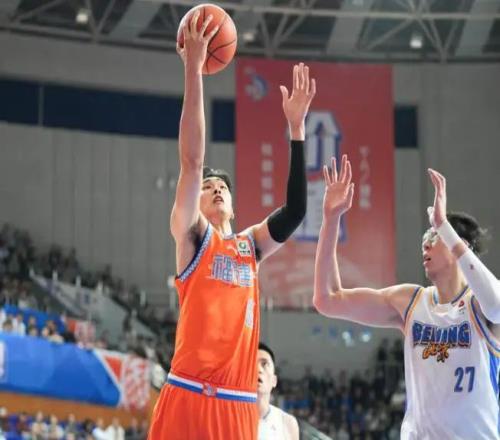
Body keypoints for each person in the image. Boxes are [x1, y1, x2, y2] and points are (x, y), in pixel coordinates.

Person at [148, 9, 316, 440]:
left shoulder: (249, 246)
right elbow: (191, 161)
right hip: (188, 393)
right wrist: (193, 69)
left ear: (235, 207)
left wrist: (296, 130)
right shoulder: (191, 236)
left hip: (237, 406)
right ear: (196, 202)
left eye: (222, 186)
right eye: (208, 188)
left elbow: (296, 211)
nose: (216, 189)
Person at [313, 157, 499, 439]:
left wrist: (444, 226)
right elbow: (327, 299)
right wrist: (330, 220)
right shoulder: (411, 301)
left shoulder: (479, 304)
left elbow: (497, 307)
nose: (425, 244)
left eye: (434, 236)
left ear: (458, 245)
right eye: (425, 237)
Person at [257, 342, 299, 440]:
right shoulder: (229, 420)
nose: (258, 370)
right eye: (252, 364)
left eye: (264, 364)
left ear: (274, 380)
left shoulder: (287, 423)